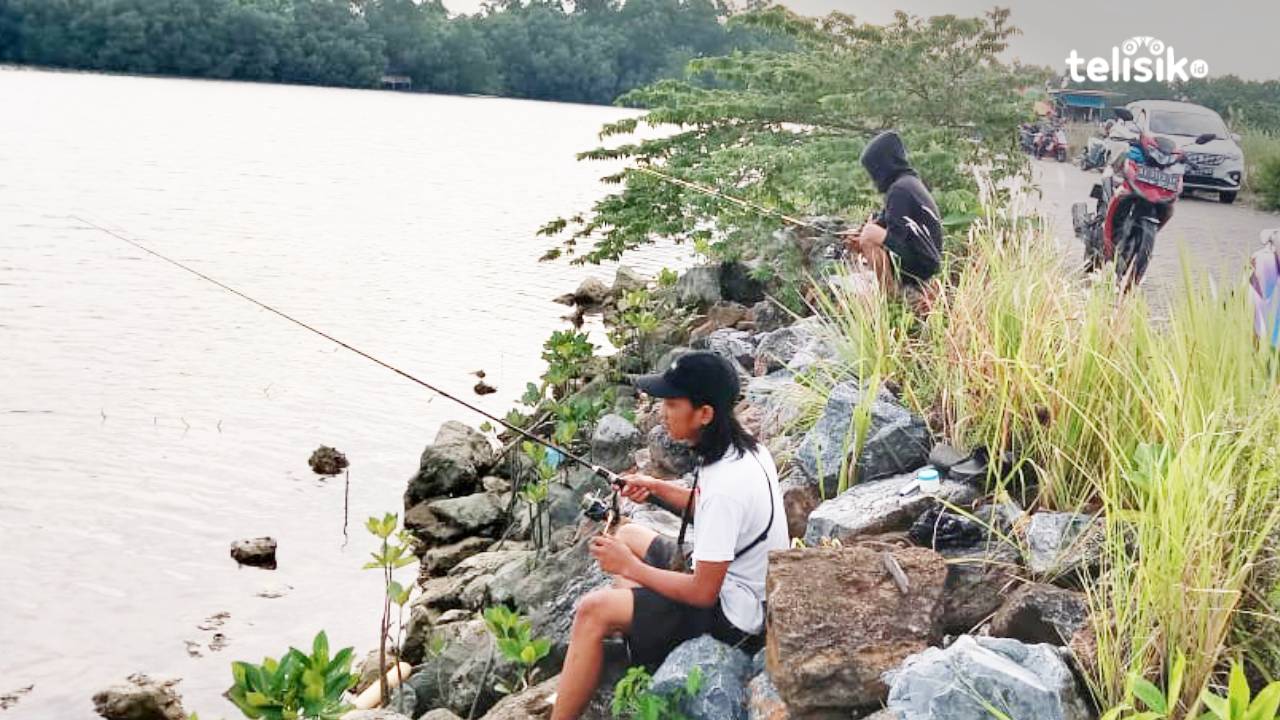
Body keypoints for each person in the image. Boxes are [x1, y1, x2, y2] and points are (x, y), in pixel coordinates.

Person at [550, 351, 788, 720]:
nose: (663, 410)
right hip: (730, 581)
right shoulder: (744, 449)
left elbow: (703, 591)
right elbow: (705, 507)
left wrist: (630, 567)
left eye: (673, 403)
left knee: (591, 611)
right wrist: (655, 487)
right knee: (627, 533)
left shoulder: (727, 484)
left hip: (736, 615)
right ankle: (640, 637)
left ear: (704, 414)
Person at [841, 130, 945, 307]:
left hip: (923, 263)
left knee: (870, 231)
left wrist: (869, 237)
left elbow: (894, 238)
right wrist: (861, 241)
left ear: (884, 164)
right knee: (870, 229)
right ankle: (891, 296)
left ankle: (890, 299)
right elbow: (886, 227)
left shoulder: (900, 190)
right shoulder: (907, 184)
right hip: (924, 261)